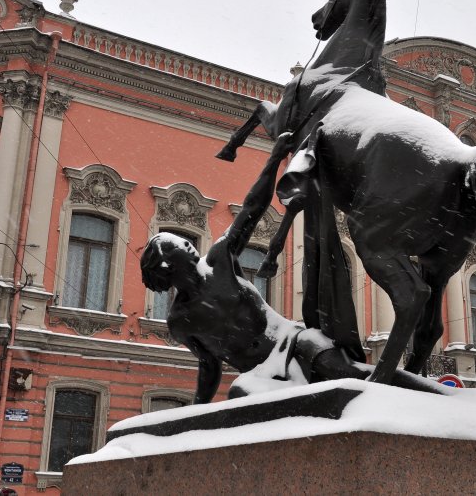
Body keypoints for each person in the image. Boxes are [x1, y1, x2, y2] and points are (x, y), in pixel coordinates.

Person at [141, 133, 443, 403]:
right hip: (261, 371)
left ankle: (442, 395)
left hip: (292, 339)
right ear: (166, 263)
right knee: (240, 394)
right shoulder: (181, 320)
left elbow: (251, 209)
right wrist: (197, 414)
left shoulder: (219, 260)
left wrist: (274, 160)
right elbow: (209, 366)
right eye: (177, 244)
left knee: (350, 372)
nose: (186, 243)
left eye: (183, 239)